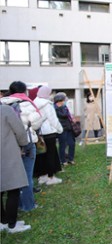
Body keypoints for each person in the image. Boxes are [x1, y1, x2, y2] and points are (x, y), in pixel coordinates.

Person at [0, 81, 44, 212]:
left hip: (7, 144)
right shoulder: (27, 103)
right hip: (26, 142)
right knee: (26, 176)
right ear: (24, 91)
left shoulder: (3, 103)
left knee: (12, 177)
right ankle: (27, 205)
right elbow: (36, 123)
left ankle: (15, 205)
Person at [0, 104, 32, 233]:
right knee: (13, 188)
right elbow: (19, 130)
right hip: (7, 152)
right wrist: (24, 144)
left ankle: (3, 221)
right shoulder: (5, 110)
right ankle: (12, 225)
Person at [33, 86, 64, 185]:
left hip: (39, 133)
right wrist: (60, 129)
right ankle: (51, 177)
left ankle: (42, 177)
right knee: (51, 155)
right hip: (49, 133)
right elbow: (53, 120)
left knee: (41, 155)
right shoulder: (47, 104)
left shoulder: (34, 103)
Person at [54, 92, 76, 166]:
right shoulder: (55, 108)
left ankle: (71, 159)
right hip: (61, 129)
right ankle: (63, 160)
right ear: (60, 100)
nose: (65, 100)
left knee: (72, 143)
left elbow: (68, 115)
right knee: (62, 145)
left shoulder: (64, 106)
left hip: (68, 127)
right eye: (64, 98)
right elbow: (63, 115)